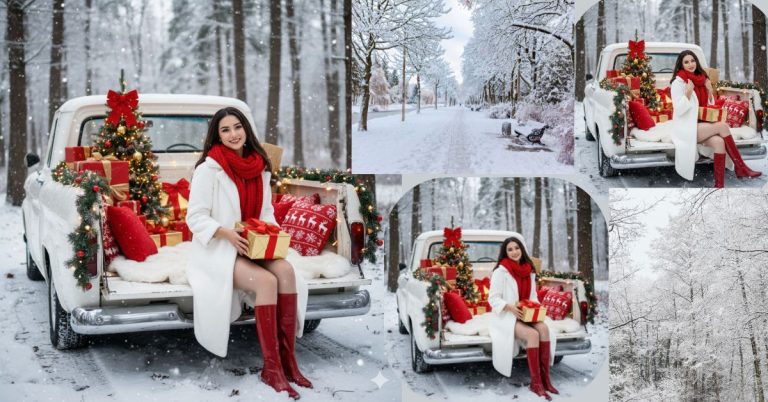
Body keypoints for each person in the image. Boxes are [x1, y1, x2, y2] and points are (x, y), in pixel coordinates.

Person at [186, 107, 311, 400]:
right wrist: (226, 232)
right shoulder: (208, 169)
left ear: (246, 130)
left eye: (237, 127)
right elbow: (195, 217)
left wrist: (272, 233)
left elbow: (266, 211)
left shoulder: (260, 167)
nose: (233, 134)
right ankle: (271, 368)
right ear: (217, 136)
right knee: (266, 282)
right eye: (225, 130)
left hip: (254, 242)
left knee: (286, 272)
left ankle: (288, 360)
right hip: (219, 248)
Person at [669, 50, 761, 187]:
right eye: (686, 62)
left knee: (719, 143)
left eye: (693, 60)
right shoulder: (679, 82)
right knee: (722, 126)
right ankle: (741, 167)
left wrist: (709, 90)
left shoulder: (702, 79)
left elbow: (708, 107)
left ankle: (719, 186)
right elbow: (679, 110)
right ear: (681, 65)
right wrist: (688, 93)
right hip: (686, 127)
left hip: (702, 124)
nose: (690, 64)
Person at [488, 236, 557, 401]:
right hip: (507, 315)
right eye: (510, 249)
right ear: (505, 253)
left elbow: (533, 296)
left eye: (516, 248)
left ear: (522, 249)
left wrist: (536, 307)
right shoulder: (500, 272)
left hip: (526, 312)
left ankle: (546, 379)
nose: (514, 252)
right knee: (533, 335)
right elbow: (493, 299)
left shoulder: (529, 270)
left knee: (544, 329)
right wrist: (510, 307)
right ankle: (536, 383)